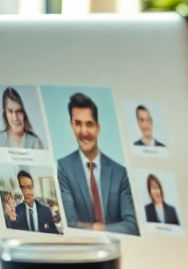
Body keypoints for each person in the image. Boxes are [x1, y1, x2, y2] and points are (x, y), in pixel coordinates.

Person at [56, 92, 139, 235]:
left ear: (98, 128)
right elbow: (70, 224)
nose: (83, 132)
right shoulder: (63, 168)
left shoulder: (120, 172)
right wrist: (99, 228)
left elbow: (132, 226)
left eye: (89, 124)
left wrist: (98, 229)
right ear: (71, 125)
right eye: (77, 124)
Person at [9, 169, 59, 234]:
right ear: (20, 189)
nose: (27, 192)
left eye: (30, 187)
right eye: (23, 188)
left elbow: (54, 232)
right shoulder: (16, 211)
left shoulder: (46, 210)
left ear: (33, 187)